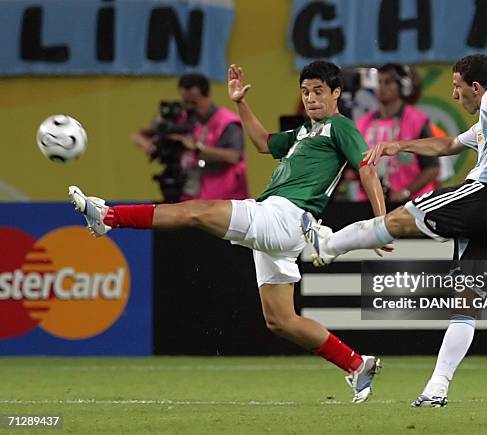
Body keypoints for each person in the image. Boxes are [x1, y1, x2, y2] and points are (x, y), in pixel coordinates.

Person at [69, 61, 389, 403]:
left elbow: (367, 167)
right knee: (281, 321)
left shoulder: (340, 127)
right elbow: (264, 143)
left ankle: (109, 216)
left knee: (198, 211)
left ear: (336, 93)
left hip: (283, 215)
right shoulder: (302, 133)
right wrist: (239, 101)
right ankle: (357, 364)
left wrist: (380, 224)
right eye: (305, 92)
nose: (311, 98)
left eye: (319, 92)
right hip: (282, 226)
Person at [302, 54, 487, 407]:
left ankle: (329, 244)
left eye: (457, 87)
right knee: (466, 302)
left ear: (475, 86)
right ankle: (437, 388)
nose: (455, 95)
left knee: (401, 219)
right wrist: (400, 146)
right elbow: (447, 145)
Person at [131, 73, 249, 202]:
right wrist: (152, 147)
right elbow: (137, 135)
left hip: (225, 199)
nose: (188, 107)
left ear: (207, 96)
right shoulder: (180, 116)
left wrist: (196, 148)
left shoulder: (227, 122)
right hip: (188, 195)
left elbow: (234, 156)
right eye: (185, 102)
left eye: (193, 102)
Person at [353, 63, 440, 203]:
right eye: (379, 82)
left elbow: (432, 168)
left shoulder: (417, 120)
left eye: (387, 82)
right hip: (370, 203)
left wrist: (406, 192)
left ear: (403, 87)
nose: (381, 87)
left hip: (413, 203)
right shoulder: (361, 123)